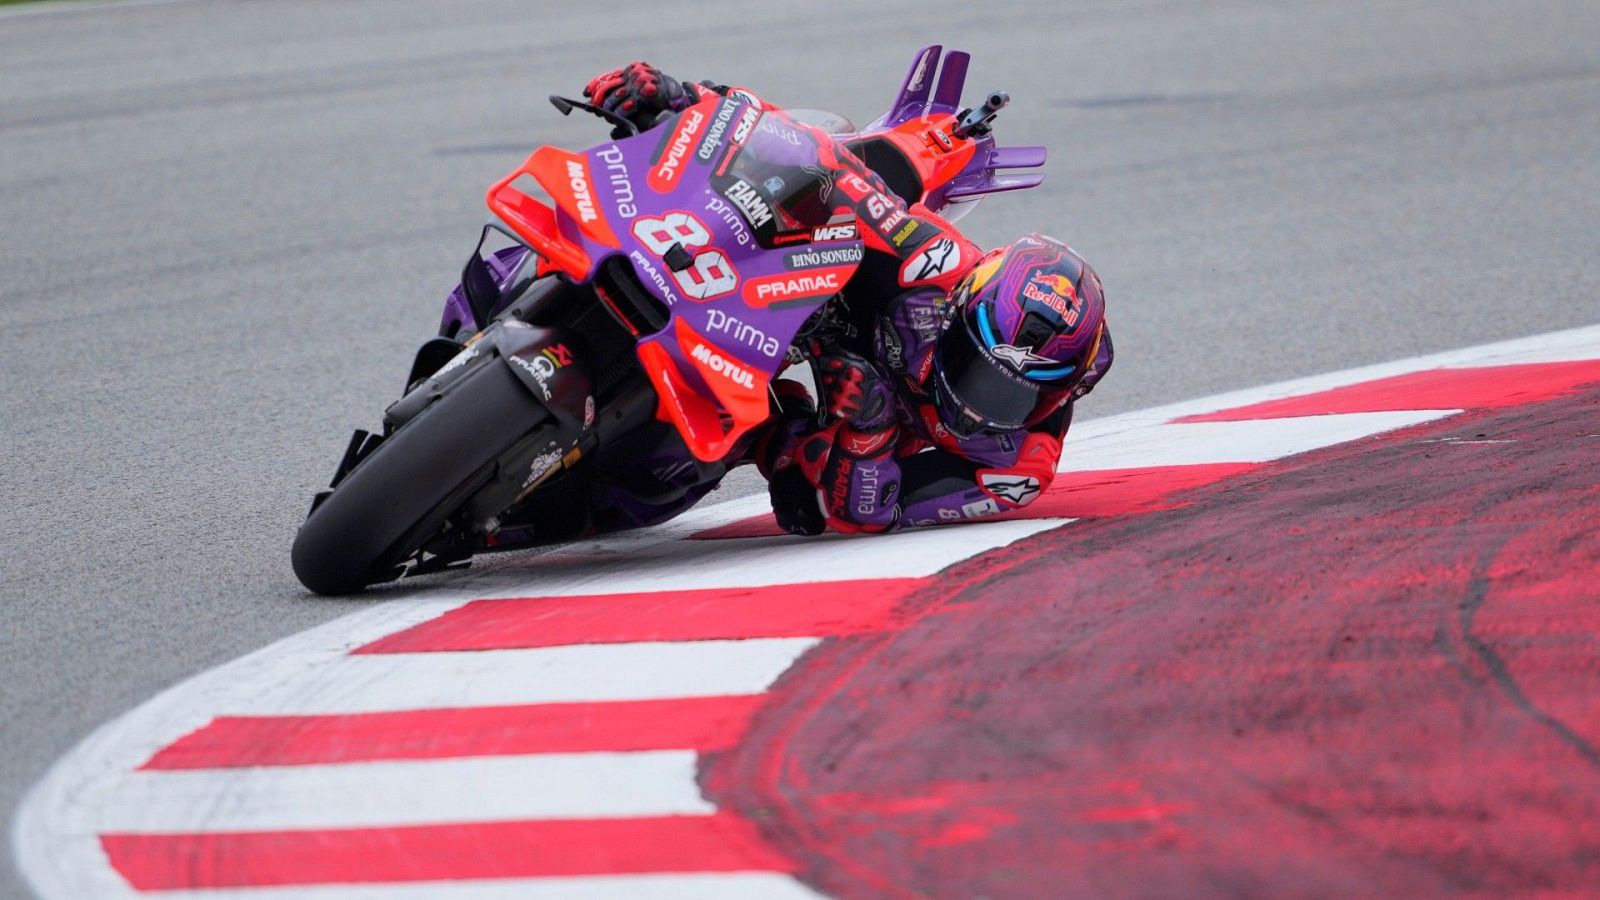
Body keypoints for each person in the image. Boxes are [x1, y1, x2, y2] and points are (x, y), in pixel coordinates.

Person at [582, 62, 1114, 535]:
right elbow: (819, 159)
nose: (980, 405)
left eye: (1014, 398)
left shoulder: (1017, 468)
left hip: (861, 414)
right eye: (978, 370)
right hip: (813, 287)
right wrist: (681, 98)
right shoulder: (933, 262)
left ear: (1065, 394)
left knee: (800, 503)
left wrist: (871, 428)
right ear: (959, 312)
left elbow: (878, 510)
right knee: (802, 183)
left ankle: (771, 417)